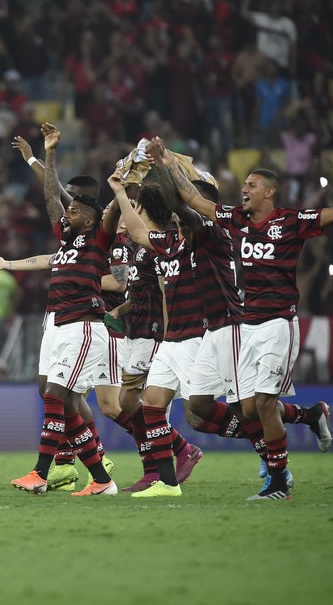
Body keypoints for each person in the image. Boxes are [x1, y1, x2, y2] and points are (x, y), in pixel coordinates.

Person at [168, 134, 333, 499]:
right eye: (245, 183)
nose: (244, 189)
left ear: (269, 192)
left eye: (252, 184)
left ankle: (278, 482)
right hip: (246, 326)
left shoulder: (291, 222)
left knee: (262, 403)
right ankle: (309, 415)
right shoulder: (237, 219)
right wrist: (168, 162)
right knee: (249, 409)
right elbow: (194, 200)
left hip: (278, 324)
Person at [0, 123, 120, 496]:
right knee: (58, 401)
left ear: (91, 219)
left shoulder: (99, 239)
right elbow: (52, 195)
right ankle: (102, 480)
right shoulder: (65, 242)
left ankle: (40, 472)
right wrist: (47, 154)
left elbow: (98, 208)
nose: (67, 214)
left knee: (56, 395)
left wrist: (123, 184)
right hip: (58, 324)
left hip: (83, 326)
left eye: (75, 211)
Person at [107, 176, 205, 497]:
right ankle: (165, 462)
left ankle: (167, 461)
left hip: (154, 331)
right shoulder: (141, 246)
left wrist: (167, 333)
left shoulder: (159, 245)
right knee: (133, 402)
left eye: (136, 206)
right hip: (135, 330)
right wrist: (121, 310)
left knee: (138, 402)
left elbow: (164, 292)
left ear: (143, 208)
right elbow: (139, 290)